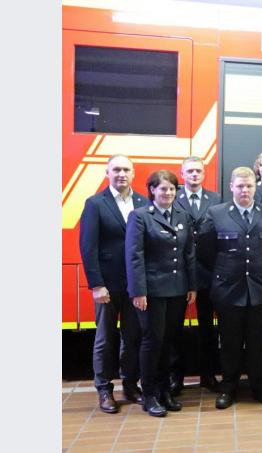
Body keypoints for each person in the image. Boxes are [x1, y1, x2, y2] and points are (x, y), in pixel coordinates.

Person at [198, 167, 262, 409]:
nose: (245, 190)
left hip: (260, 289)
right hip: (228, 290)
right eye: (240, 186)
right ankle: (228, 387)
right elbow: (205, 251)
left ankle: (260, 387)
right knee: (230, 342)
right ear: (231, 186)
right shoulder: (216, 213)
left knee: (258, 343)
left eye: (250, 186)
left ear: (256, 187)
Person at [79, 154, 147, 414]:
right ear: (107, 173)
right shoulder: (95, 203)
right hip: (108, 285)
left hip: (135, 286)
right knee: (105, 338)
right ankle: (104, 389)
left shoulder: (143, 201)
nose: (121, 174)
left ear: (133, 173)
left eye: (126, 169)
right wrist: (96, 284)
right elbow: (88, 247)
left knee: (133, 337)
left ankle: (130, 385)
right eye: (116, 169)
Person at [125, 170, 197, 417]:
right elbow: (135, 256)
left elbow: (189, 254)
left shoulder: (183, 216)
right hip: (152, 292)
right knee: (152, 341)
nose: (167, 193)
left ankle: (165, 390)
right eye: (163, 189)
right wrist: (138, 291)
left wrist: (192, 286)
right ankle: (149, 394)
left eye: (172, 189)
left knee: (169, 341)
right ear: (152, 190)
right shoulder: (141, 216)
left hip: (177, 289)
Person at [169, 156, 222, 395]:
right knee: (174, 328)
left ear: (204, 174)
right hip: (179, 272)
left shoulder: (216, 199)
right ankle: (175, 378)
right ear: (182, 174)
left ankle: (208, 375)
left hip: (208, 272)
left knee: (207, 328)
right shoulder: (172, 198)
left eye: (198, 171)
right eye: (189, 171)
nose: (194, 175)